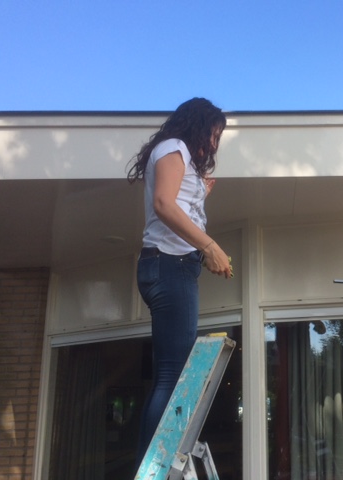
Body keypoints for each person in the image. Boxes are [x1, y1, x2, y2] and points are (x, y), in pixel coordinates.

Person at [126, 97, 232, 463]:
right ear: (197, 126)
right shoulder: (174, 147)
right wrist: (210, 246)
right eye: (213, 134)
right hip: (171, 265)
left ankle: (149, 463)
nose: (214, 143)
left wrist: (200, 191)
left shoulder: (177, 154)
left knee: (168, 375)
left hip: (170, 266)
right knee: (174, 376)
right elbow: (164, 203)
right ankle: (156, 464)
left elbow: (177, 203)